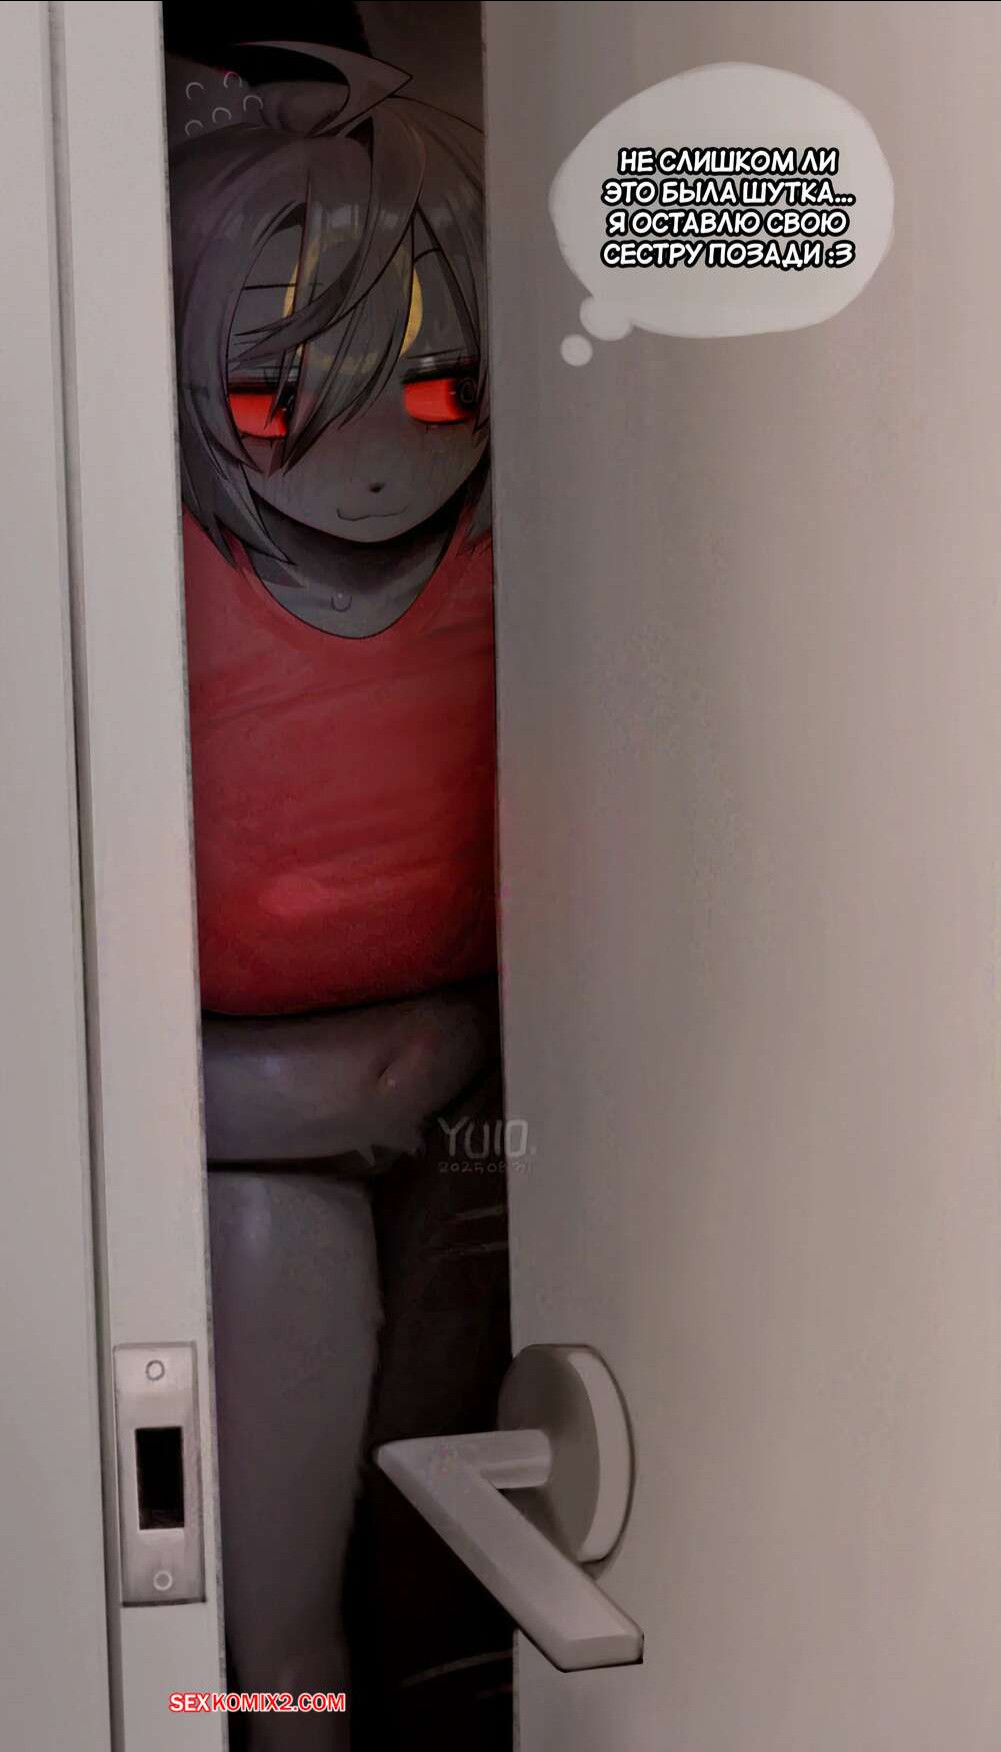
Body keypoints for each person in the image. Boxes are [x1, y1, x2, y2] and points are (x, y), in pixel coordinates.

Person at [167, 43, 511, 1749]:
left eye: (437, 392)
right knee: (282, 1616)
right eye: (274, 400)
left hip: (482, 1096)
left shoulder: (547, 541)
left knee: (460, 1556)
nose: (371, 459)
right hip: (253, 1135)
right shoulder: (142, 561)